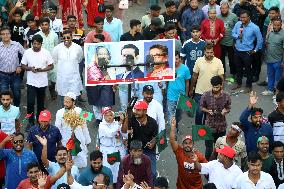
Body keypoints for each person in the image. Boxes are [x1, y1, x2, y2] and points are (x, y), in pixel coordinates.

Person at [21, 34, 54, 126]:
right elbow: (23, 65)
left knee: (40, 103)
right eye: (34, 44)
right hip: (31, 82)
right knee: (30, 103)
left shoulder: (46, 52)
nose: (36, 46)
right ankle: (30, 122)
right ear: (32, 43)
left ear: (41, 44)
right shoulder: (27, 52)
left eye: (38, 44)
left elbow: (51, 66)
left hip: (42, 82)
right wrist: (30, 68)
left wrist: (42, 70)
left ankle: (40, 121)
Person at [189, 43, 224, 125]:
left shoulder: (218, 62)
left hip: (213, 93)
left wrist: (221, 91)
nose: (209, 54)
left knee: (208, 114)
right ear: (204, 52)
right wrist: (191, 89)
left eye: (211, 52)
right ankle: (197, 131)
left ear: (213, 52)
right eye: (207, 52)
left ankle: (205, 132)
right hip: (199, 92)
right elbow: (194, 76)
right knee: (199, 113)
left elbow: (221, 78)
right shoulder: (199, 61)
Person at [55, 92, 91, 168]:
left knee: (81, 162)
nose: (65, 104)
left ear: (73, 102)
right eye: (64, 101)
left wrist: (87, 140)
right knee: (67, 163)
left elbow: (84, 126)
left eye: (68, 102)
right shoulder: (59, 112)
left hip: (79, 141)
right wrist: (58, 143)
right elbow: (57, 129)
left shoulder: (80, 111)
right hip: (66, 141)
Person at [231, 10, 263, 93]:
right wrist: (237, 36)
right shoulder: (238, 24)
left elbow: (260, 40)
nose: (242, 19)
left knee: (248, 70)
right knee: (238, 68)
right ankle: (239, 83)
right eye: (241, 17)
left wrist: (255, 50)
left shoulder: (254, 27)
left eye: (244, 17)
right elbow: (232, 33)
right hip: (237, 51)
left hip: (247, 52)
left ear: (249, 17)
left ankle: (249, 86)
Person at [170, 117, 207, 189]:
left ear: (193, 145)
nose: (187, 145)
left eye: (190, 143)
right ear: (182, 145)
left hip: (196, 187)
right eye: (185, 143)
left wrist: (197, 162)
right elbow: (172, 141)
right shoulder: (179, 152)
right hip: (181, 187)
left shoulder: (199, 156)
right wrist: (172, 128)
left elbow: (207, 170)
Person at [200, 75, 231, 160]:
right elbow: (201, 107)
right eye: (214, 87)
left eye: (217, 87)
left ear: (221, 85)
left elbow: (228, 107)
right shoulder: (206, 95)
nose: (215, 89)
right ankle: (207, 167)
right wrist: (207, 111)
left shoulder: (226, 96)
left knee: (220, 149)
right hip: (209, 126)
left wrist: (225, 111)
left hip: (221, 127)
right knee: (209, 150)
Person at [126, 101, 158, 180]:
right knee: (128, 173)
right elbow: (123, 131)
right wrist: (126, 118)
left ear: (145, 111)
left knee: (152, 174)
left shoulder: (153, 122)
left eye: (138, 110)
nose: (136, 112)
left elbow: (156, 137)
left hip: (147, 151)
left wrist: (153, 143)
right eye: (135, 109)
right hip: (133, 150)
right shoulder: (131, 119)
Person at [52, 29, 83, 105]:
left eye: (68, 37)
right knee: (63, 102)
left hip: (74, 78)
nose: (66, 40)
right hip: (62, 78)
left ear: (72, 38)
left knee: (74, 102)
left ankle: (73, 116)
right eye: (64, 38)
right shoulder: (57, 49)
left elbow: (79, 59)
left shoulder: (78, 48)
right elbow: (54, 61)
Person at [98, 107, 128, 184]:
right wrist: (120, 123)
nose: (109, 117)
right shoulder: (102, 126)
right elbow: (110, 133)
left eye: (111, 115)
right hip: (108, 151)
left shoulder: (116, 123)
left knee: (120, 169)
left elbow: (124, 134)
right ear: (103, 116)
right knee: (109, 170)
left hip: (119, 149)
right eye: (106, 115)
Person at [0, 26, 25, 107]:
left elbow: (26, 56)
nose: (5, 35)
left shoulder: (17, 45)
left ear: (10, 35)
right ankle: (5, 112)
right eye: (3, 34)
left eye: (7, 33)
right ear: (0, 36)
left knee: (16, 94)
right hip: (2, 75)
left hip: (15, 74)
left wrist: (20, 66)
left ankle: (16, 109)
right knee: (4, 95)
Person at [36, 17, 59, 100]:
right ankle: (43, 93)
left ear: (49, 25)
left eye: (46, 24)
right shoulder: (37, 35)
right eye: (43, 25)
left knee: (54, 76)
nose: (44, 26)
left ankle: (52, 89)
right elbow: (34, 48)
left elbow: (56, 47)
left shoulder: (54, 35)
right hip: (41, 61)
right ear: (40, 26)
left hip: (52, 61)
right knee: (42, 77)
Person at [167, 51, 190, 132]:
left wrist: (186, 95)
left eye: (177, 59)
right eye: (173, 59)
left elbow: (187, 82)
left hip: (181, 97)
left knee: (179, 115)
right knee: (171, 115)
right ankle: (173, 132)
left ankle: (176, 125)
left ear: (180, 59)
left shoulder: (185, 69)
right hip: (171, 96)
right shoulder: (168, 68)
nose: (175, 61)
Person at [261, 18, 284, 96]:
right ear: (272, 25)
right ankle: (270, 90)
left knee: (278, 78)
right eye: (275, 25)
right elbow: (267, 44)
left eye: (278, 25)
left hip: (278, 61)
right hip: (269, 59)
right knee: (270, 75)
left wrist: (283, 61)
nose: (276, 26)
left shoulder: (283, 34)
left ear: (281, 25)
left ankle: (278, 94)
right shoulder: (270, 33)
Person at [218, 2, 238, 75]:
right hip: (221, 41)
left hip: (231, 41)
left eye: (225, 8)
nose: (224, 10)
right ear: (220, 9)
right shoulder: (218, 17)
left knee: (232, 59)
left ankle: (233, 74)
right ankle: (223, 73)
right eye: (222, 8)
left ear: (228, 8)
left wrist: (236, 40)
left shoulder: (234, 16)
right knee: (221, 59)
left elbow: (237, 27)